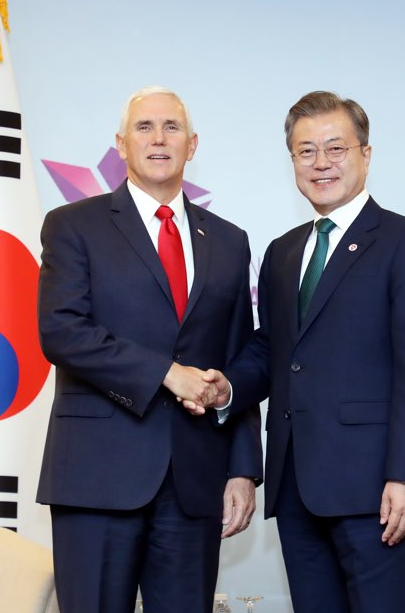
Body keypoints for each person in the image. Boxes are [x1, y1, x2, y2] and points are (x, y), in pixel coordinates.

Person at [186, 90, 405, 612]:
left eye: (336, 148)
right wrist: (228, 387)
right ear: (293, 162)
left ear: (366, 155)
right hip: (298, 490)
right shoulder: (284, 252)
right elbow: (275, 349)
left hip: (378, 491)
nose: (321, 163)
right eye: (306, 151)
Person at [36, 86, 262, 613]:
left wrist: (243, 469)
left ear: (193, 143)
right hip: (96, 478)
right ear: (120, 144)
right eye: (144, 127)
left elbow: (239, 358)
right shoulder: (73, 226)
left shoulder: (229, 241)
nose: (158, 138)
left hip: (194, 481)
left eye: (171, 127)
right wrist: (167, 373)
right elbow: (62, 331)